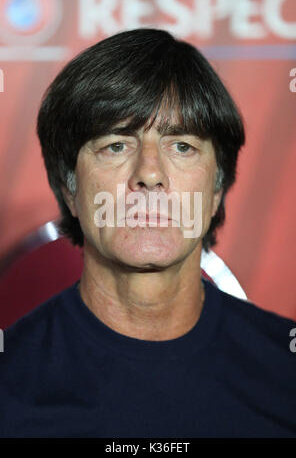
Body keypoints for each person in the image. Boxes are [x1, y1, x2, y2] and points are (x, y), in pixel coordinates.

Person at [1, 28, 295, 438]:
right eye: (116, 145)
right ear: (69, 190)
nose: (150, 174)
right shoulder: (9, 385)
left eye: (182, 146)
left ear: (215, 191)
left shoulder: (286, 373)